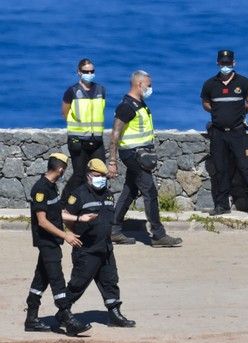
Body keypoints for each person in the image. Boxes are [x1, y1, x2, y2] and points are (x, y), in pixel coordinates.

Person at [107, 70, 182, 247]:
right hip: (133, 154)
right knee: (150, 191)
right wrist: (112, 160)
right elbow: (115, 134)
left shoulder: (140, 104)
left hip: (141, 153)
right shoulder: (127, 106)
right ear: (139, 84)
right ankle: (158, 234)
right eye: (149, 85)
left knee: (130, 190)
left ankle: (114, 229)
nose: (151, 88)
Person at [24, 153, 91, 336]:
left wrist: (78, 218)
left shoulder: (52, 187)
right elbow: (43, 222)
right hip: (47, 242)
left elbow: (57, 214)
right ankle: (67, 318)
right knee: (57, 280)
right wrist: (66, 235)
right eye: (65, 169)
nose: (64, 172)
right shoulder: (40, 189)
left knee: (40, 279)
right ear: (60, 169)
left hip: (53, 241)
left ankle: (31, 319)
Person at [64, 158, 136, 327]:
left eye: (104, 175)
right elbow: (65, 214)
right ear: (89, 175)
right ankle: (64, 311)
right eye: (97, 175)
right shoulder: (78, 194)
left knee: (110, 281)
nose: (101, 178)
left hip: (105, 247)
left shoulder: (108, 194)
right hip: (86, 249)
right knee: (78, 283)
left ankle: (114, 314)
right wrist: (68, 233)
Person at [201, 49, 248, 216]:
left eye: (228, 63)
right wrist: (219, 113)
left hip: (238, 132)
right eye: (222, 63)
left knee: (245, 168)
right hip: (218, 133)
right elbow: (206, 104)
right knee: (220, 169)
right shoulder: (210, 84)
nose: (225, 66)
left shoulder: (244, 82)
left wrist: (237, 114)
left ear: (234, 63)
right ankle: (221, 205)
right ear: (218, 63)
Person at [61, 58, 107, 202]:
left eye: (92, 71)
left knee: (100, 172)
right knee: (79, 175)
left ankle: (97, 204)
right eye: (86, 71)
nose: (89, 73)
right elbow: (65, 112)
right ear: (79, 72)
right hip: (78, 140)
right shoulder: (72, 91)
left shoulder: (101, 90)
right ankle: (65, 203)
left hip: (97, 140)